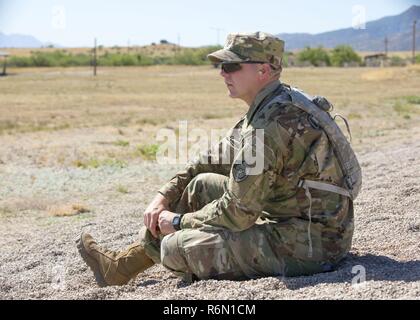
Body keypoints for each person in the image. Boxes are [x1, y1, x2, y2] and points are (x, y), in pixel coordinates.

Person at [77, 31, 358, 286]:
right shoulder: (271, 104)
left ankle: (157, 261)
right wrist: (163, 196)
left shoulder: (269, 127)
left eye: (231, 66)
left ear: (263, 69)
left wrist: (177, 222)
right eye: (221, 66)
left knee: (176, 248)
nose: (223, 73)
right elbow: (211, 161)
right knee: (199, 185)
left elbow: (238, 212)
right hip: (292, 216)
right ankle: (120, 268)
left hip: (313, 243)